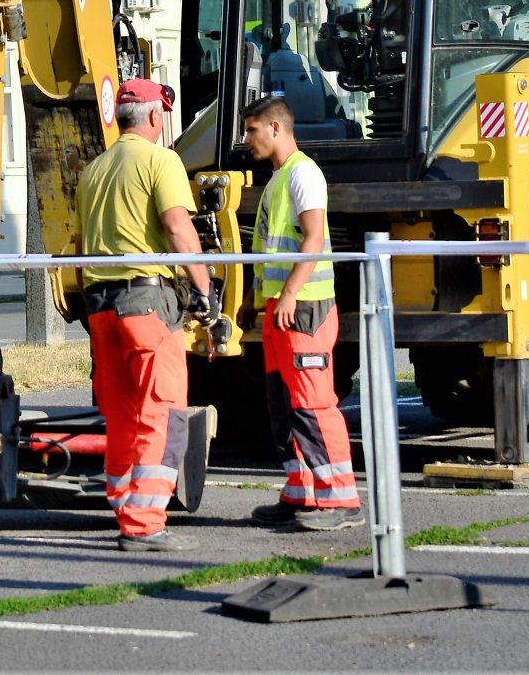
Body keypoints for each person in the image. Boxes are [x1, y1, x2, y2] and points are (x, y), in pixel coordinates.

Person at [73, 78, 213, 552]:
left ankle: (123, 503)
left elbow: (77, 247)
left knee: (122, 413)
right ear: (157, 117)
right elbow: (177, 226)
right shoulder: (161, 161)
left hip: (100, 308)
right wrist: (204, 289)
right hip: (145, 304)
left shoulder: (93, 170)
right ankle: (145, 522)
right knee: (162, 409)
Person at [241, 95, 363, 531]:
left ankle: (341, 499)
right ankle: (302, 492)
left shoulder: (303, 174)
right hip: (282, 310)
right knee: (284, 405)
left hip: (305, 309)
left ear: (276, 129)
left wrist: (289, 293)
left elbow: (313, 240)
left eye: (252, 130)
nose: (246, 139)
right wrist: (253, 298)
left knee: (311, 404)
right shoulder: (278, 179)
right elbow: (272, 250)